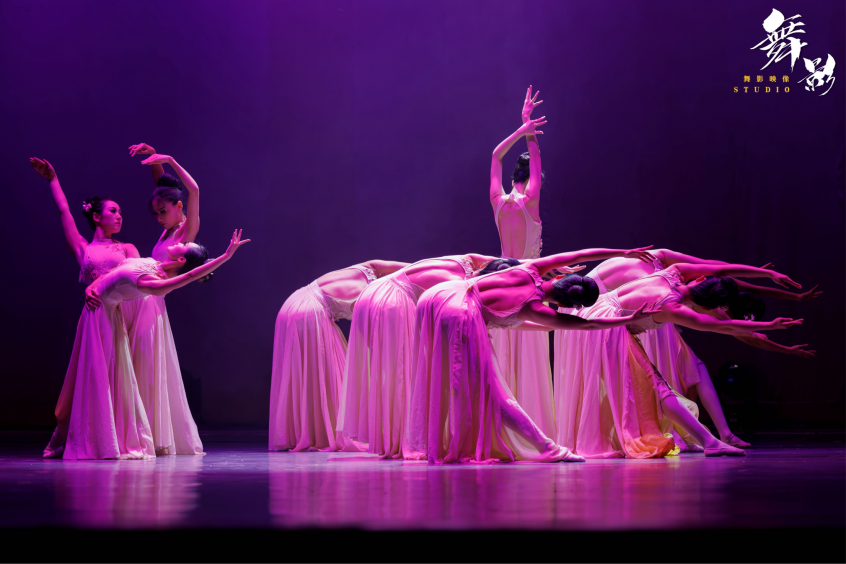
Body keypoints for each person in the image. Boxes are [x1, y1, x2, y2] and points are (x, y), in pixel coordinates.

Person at [404, 246, 658, 464]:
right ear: (565, 305)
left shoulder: (531, 268)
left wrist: (624, 252)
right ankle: (549, 448)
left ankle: (423, 441)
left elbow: (579, 254)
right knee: (493, 391)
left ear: (561, 278)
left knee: (443, 375)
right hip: (458, 311)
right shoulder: (537, 309)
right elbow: (589, 324)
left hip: (437, 295)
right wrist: (628, 319)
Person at [555, 250, 818, 449]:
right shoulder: (673, 306)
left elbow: (721, 270)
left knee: (652, 386)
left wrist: (767, 275)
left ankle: (712, 441)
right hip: (603, 324)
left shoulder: (674, 273)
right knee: (655, 386)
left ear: (700, 280)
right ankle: (712, 442)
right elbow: (722, 325)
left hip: (598, 315)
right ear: (705, 306)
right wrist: (769, 325)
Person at [62, 230, 250, 459]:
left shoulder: (156, 283)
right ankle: (91, 437)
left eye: (186, 243)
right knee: (98, 376)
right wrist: (91, 286)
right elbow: (112, 273)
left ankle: (100, 441)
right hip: (96, 309)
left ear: (181, 258)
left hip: (102, 316)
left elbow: (190, 275)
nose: (183, 241)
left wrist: (226, 256)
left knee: (100, 377)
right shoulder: (153, 264)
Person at [338, 254, 504, 458]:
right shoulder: (463, 287)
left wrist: (530, 265)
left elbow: (510, 262)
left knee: (389, 372)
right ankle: (406, 441)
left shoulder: (464, 260)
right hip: (393, 300)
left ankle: (391, 438)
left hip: (369, 294)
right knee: (406, 373)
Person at [30, 157, 142, 458]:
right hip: (93, 317)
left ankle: (110, 437)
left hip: (117, 315)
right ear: (96, 216)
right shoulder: (84, 248)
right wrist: (53, 179)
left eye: (121, 212)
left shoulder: (127, 248)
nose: (119, 216)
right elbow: (64, 211)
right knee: (88, 375)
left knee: (115, 377)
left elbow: (139, 279)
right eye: (113, 211)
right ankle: (71, 435)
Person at [269, 260, 408, 452]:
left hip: (292, 304)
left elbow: (395, 266)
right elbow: (367, 338)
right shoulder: (371, 295)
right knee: (331, 374)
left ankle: (308, 430)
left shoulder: (367, 269)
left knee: (314, 373)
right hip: (309, 313)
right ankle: (329, 432)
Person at [487, 87, 556, 437]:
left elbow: (495, 155)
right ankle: (534, 433)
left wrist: (521, 127)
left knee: (503, 360)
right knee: (530, 360)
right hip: (528, 286)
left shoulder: (498, 200)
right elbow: (535, 155)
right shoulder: (531, 200)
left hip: (499, 287)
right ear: (534, 180)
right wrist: (530, 131)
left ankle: (502, 432)